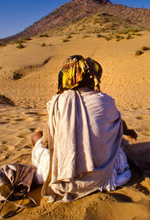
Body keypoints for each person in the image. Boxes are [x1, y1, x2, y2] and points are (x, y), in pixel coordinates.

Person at [31, 55, 137, 202]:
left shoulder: (57, 103)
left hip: (64, 180)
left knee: (36, 137)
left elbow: (46, 143)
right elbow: (119, 124)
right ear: (93, 76)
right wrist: (127, 132)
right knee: (117, 147)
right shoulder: (106, 101)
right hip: (104, 177)